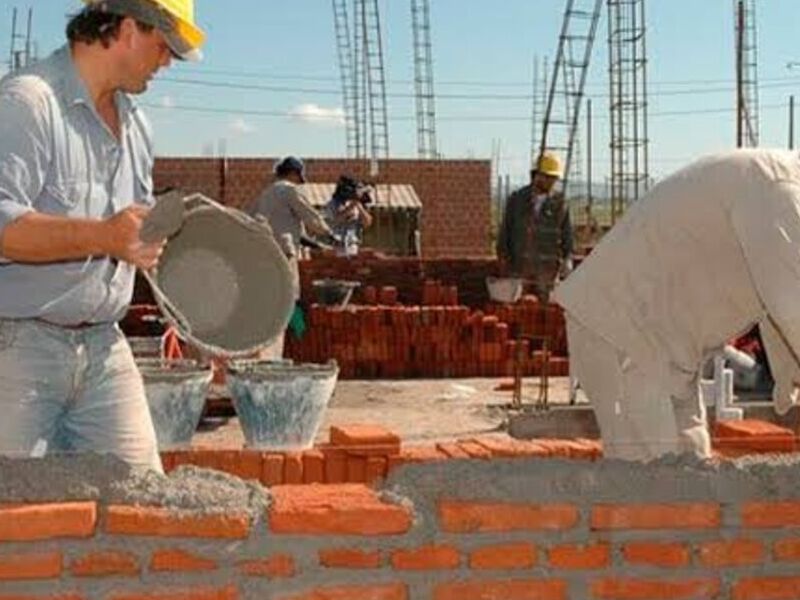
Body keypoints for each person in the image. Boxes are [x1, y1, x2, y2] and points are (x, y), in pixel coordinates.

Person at [0, 0, 206, 471]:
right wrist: (104, 236)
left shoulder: (136, 127)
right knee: (16, 522)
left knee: (143, 504)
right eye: (164, 46)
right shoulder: (28, 103)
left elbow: (134, 235)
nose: (167, 62)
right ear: (129, 28)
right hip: (18, 350)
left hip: (105, 347)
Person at [554, 149, 800, 461]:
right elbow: (792, 307)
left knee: (692, 467)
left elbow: (779, 300)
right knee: (657, 484)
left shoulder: (775, 186)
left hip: (662, 347)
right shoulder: (778, 189)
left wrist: (785, 379)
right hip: (623, 331)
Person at [496, 152, 574, 303]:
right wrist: (503, 262)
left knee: (544, 317)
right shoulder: (517, 200)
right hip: (519, 268)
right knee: (518, 312)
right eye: (548, 177)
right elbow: (505, 233)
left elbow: (567, 237)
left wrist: (567, 260)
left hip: (547, 273)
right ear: (537, 175)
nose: (552, 182)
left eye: (554, 178)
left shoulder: (560, 204)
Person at [248, 156, 335, 252]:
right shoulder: (290, 190)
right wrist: (329, 234)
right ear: (293, 173)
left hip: (263, 248)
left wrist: (315, 245)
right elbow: (310, 216)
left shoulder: (266, 193)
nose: (298, 182)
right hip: (283, 249)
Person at [323, 175, 374, 257]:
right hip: (336, 246)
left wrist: (358, 205)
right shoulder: (332, 204)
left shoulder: (357, 204)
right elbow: (336, 220)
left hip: (352, 245)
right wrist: (351, 207)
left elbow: (367, 222)